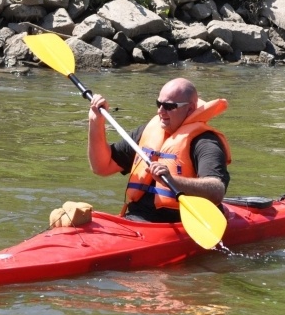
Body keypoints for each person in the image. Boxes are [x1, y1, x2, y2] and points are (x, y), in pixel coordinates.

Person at [88, 77, 231, 222]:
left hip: (178, 224)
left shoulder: (205, 142)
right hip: (135, 219)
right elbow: (101, 167)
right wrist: (96, 123)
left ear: (190, 109)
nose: (160, 111)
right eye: (159, 104)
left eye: (169, 106)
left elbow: (216, 191)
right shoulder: (147, 132)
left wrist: (172, 180)